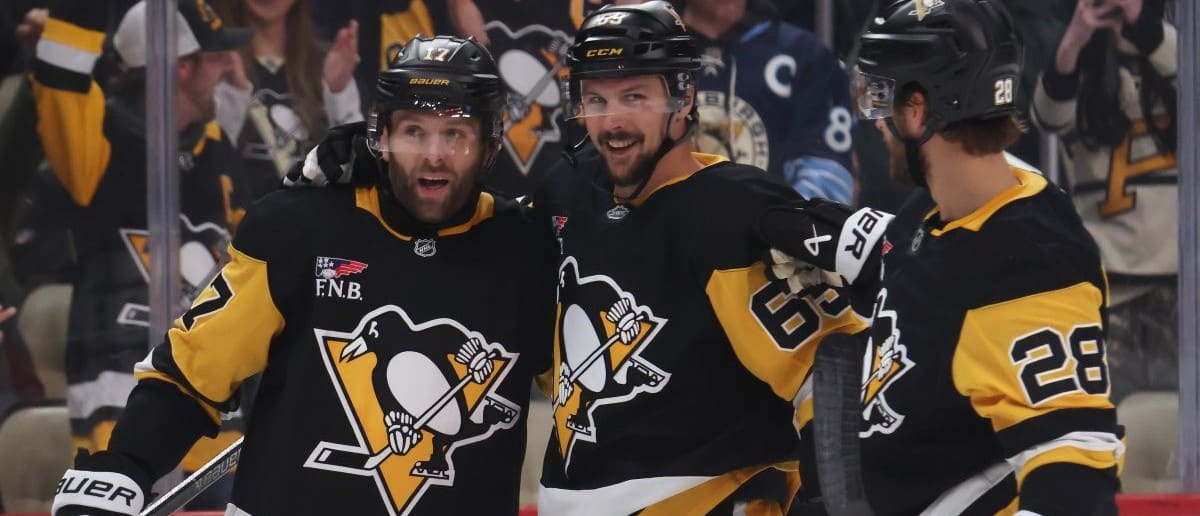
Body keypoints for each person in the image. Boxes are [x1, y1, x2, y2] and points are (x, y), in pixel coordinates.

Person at [284, 2, 866, 513]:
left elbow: (832, 370)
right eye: (596, 99)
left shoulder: (731, 215)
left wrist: (826, 501)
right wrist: (386, 174)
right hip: (570, 494)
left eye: (634, 96)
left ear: (683, 99)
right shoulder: (570, 193)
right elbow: (479, 241)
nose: (612, 122)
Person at [51, 35, 558, 516]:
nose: (433, 154)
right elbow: (195, 368)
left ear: (491, 146)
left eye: (456, 134)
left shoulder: (528, 249)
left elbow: (595, 399)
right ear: (379, 136)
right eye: (414, 132)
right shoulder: (298, 227)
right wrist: (125, 465)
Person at [758, 0, 1123, 513]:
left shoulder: (1034, 261)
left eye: (881, 98)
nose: (877, 123)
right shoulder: (942, 210)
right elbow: (902, 259)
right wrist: (753, 211)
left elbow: (1074, 477)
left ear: (917, 109)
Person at [31, 0, 254, 489]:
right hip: (118, 399)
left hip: (212, 409)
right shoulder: (99, 142)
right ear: (181, 66)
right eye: (215, 56)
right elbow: (59, 77)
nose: (228, 66)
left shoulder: (215, 145)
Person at [1032, 0, 1176, 404]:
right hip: (1112, 289)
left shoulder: (1176, 57)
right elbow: (1047, 117)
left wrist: (1143, 27)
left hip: (1181, 286)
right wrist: (1074, 39)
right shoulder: (1081, 70)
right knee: (1108, 424)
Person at [683, 0, 856, 203]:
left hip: (776, 230)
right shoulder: (648, 50)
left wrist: (773, 226)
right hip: (666, 227)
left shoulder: (805, 56)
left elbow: (829, 177)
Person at [214, 0, 364, 200]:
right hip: (244, 221)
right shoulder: (218, 62)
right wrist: (232, 94)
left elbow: (359, 167)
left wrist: (338, 92)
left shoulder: (329, 63)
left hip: (315, 222)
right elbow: (211, 159)